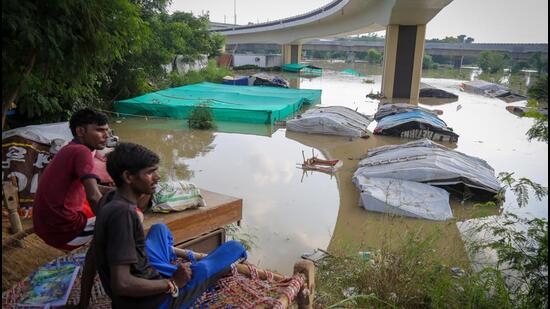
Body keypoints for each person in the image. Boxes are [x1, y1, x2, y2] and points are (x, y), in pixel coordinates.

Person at [93, 142, 247, 308]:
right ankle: (178, 273)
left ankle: (167, 268)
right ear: (128, 177)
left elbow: (91, 256)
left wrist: (82, 301)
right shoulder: (124, 215)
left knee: (160, 229)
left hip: (144, 279)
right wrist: (172, 282)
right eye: (150, 172)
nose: (157, 177)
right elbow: (121, 284)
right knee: (234, 247)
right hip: (155, 303)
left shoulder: (109, 199)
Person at [33, 108, 110, 309]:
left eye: (107, 130)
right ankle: (85, 300)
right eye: (100, 130)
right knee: (129, 216)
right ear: (81, 131)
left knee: (109, 202)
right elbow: (93, 195)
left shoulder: (69, 148)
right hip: (63, 231)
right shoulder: (82, 152)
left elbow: (90, 188)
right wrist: (110, 225)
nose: (106, 135)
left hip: (44, 223)